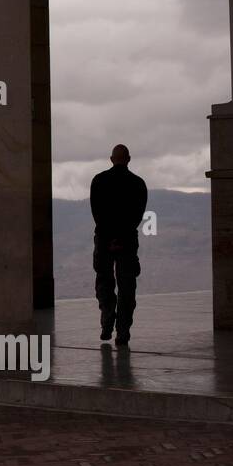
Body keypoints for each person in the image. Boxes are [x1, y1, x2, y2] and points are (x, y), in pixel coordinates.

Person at [89, 144, 147, 345]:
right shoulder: (138, 184)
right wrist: (121, 237)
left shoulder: (99, 181)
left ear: (111, 159)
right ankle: (123, 331)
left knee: (104, 281)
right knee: (127, 286)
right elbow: (137, 215)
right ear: (128, 159)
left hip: (104, 239)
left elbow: (97, 212)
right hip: (127, 241)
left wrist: (110, 238)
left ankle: (107, 321)